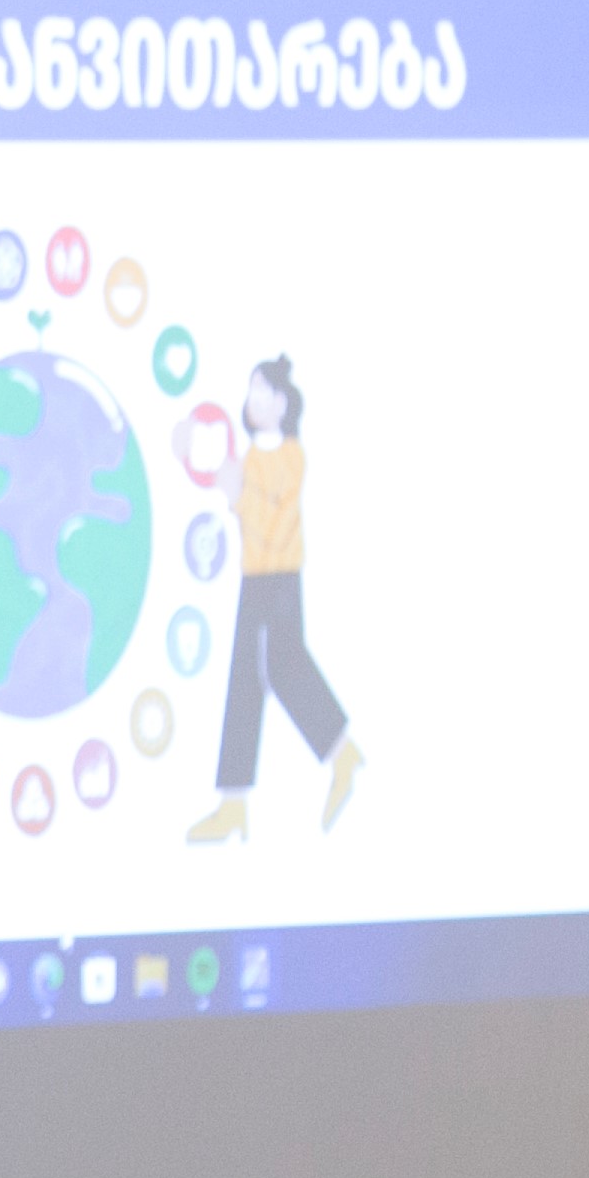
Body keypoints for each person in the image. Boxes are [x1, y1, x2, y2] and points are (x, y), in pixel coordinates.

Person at [188, 354, 364, 843]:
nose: (253, 399)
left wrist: (236, 495)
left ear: (283, 403)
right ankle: (233, 804)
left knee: (284, 668)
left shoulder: (291, 457)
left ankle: (341, 752)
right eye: (251, 391)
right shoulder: (250, 457)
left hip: (280, 577)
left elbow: (268, 525)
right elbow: (241, 508)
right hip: (254, 577)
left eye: (262, 391)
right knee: (245, 680)